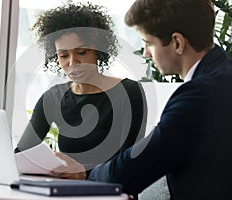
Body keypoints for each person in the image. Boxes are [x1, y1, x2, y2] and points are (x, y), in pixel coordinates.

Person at [53, 0, 232, 199]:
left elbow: (134, 167)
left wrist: (85, 174)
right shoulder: (222, 77)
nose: (146, 53)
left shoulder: (197, 97)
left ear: (177, 43)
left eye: (148, 43)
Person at [14, 1, 147, 179]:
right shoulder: (53, 97)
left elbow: (129, 163)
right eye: (63, 55)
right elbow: (23, 153)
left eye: (82, 52)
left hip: (112, 192)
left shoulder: (129, 92)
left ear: (98, 51)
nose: (72, 62)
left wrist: (84, 174)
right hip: (66, 191)